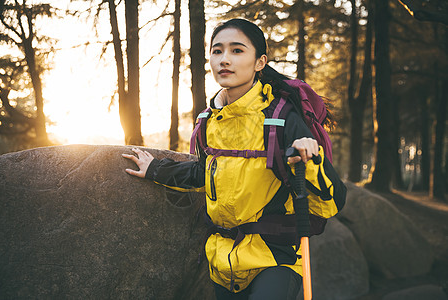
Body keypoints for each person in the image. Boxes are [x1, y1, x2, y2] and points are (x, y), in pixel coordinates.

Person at [122, 18, 346, 300]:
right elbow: (203, 174)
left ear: (260, 62)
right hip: (222, 260)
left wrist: (310, 161)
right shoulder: (209, 121)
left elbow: (332, 203)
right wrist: (155, 169)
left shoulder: (280, 119)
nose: (224, 60)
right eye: (217, 51)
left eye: (237, 50)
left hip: (276, 257)